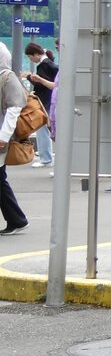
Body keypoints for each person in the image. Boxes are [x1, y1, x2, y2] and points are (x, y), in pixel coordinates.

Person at [0, 43, 30, 235]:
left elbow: (14, 108)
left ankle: (17, 220)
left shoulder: (7, 77)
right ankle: (16, 219)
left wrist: (3, 137)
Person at [21, 42, 56, 168]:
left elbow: (41, 84)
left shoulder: (43, 65)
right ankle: (46, 154)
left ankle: (45, 157)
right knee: (46, 129)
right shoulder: (48, 63)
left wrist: (29, 77)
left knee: (42, 129)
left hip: (45, 100)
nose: (30, 59)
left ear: (35, 54)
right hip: (50, 99)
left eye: (30, 57)